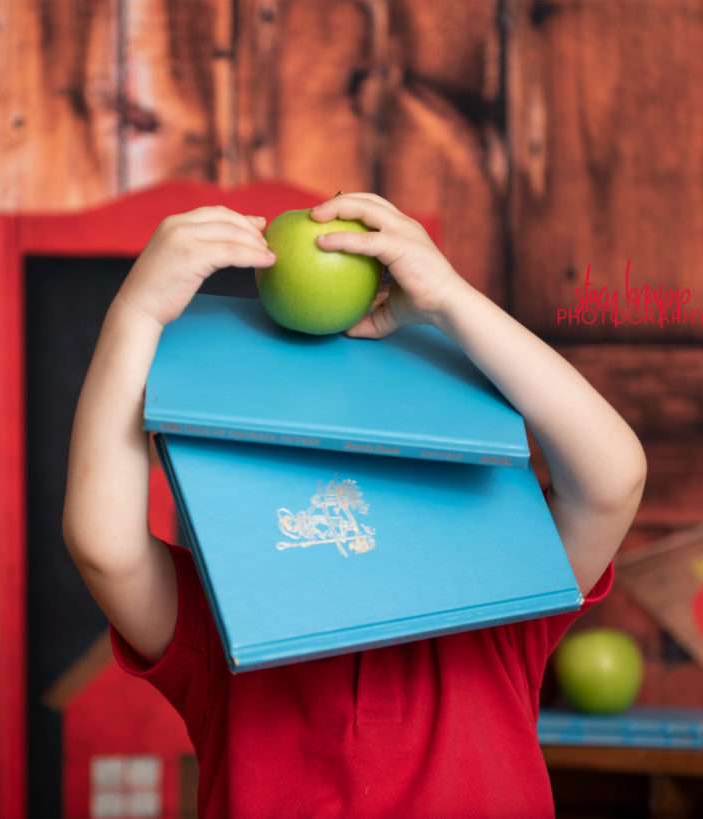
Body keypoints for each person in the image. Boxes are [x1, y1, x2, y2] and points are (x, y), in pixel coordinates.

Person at [62, 193, 647, 818]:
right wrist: (136, 316)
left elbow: (611, 481)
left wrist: (451, 302)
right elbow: (107, 550)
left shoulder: (500, 600)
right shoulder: (223, 623)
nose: (351, 460)